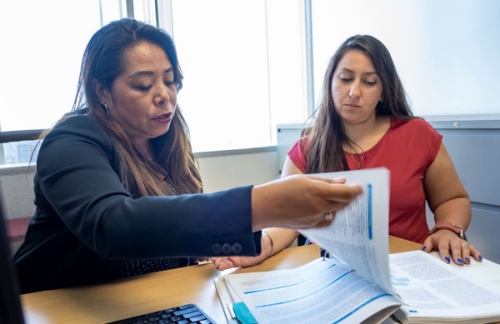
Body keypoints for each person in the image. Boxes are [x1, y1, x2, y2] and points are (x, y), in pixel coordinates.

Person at [12, 18, 363, 294]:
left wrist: (231, 248)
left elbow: (175, 226)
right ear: (101, 90)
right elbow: (113, 225)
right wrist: (261, 204)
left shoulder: (168, 137)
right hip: (58, 304)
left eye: (170, 80)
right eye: (143, 85)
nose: (164, 96)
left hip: (149, 297)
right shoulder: (72, 140)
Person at [212, 34, 483, 272]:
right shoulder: (306, 150)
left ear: (383, 92)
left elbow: (453, 198)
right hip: (331, 274)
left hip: (411, 269)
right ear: (330, 83)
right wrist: (264, 243)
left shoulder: (418, 134)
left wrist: (448, 229)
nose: (354, 92)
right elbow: (287, 221)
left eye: (369, 82)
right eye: (345, 79)